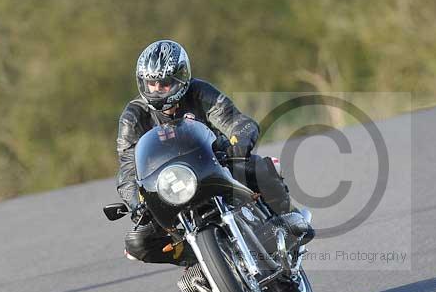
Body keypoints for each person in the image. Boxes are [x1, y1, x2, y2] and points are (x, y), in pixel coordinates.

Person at [116, 39, 312, 279]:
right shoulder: (133, 116)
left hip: (214, 164)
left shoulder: (199, 92)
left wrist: (237, 143)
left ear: (180, 78)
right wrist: (135, 203)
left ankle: (285, 224)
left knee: (260, 168)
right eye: (151, 83)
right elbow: (127, 165)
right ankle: (199, 260)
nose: (156, 89)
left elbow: (236, 121)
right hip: (171, 185)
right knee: (138, 242)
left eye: (164, 84)